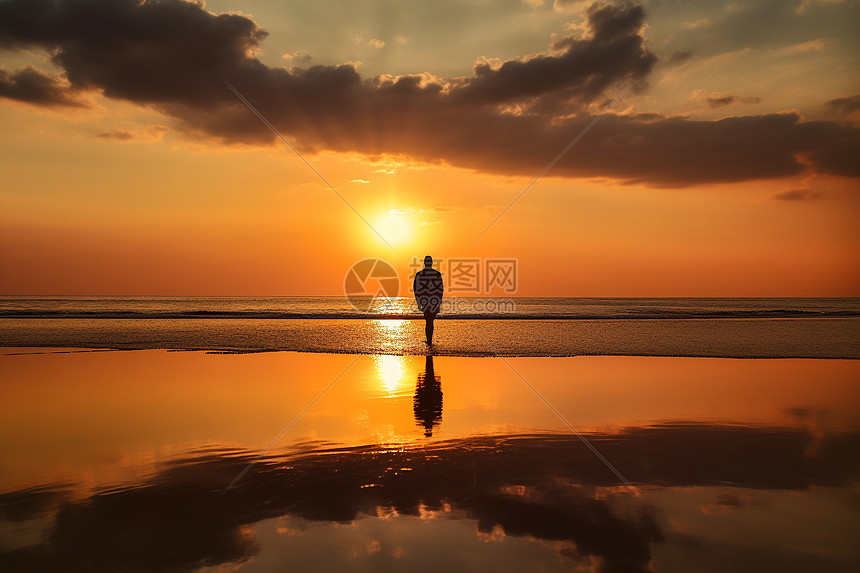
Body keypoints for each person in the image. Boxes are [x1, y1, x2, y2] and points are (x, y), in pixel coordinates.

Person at [412, 255, 444, 345]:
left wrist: (418, 301)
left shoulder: (419, 274)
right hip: (434, 300)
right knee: (431, 321)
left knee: (428, 320)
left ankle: (429, 340)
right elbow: (440, 289)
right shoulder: (437, 274)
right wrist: (439, 301)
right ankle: (429, 340)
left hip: (424, 300)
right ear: (431, 263)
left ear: (425, 263)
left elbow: (416, 289)